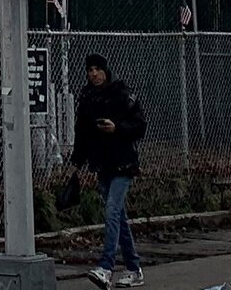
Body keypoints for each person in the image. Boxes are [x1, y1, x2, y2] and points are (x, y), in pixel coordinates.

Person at [71, 53, 147, 286]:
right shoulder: (88, 98)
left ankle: (106, 266)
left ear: (106, 70)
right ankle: (134, 268)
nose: (94, 74)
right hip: (102, 164)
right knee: (119, 216)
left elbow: (140, 125)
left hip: (123, 163)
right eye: (90, 70)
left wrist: (117, 129)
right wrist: (76, 161)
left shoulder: (121, 95)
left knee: (112, 211)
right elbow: (82, 132)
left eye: (98, 69)